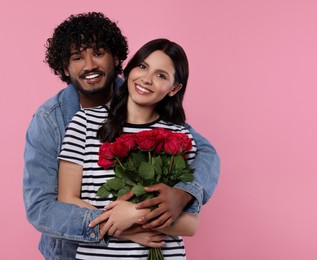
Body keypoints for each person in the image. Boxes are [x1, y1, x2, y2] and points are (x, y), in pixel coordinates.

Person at [23, 12, 220, 259]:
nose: (89, 65)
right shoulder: (52, 120)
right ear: (65, 67)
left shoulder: (144, 97)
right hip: (73, 251)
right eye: (77, 58)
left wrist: (184, 193)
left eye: (98, 53)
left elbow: (205, 152)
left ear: (117, 58)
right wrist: (123, 226)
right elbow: (42, 208)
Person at [58, 38, 200, 259]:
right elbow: (67, 201)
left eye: (161, 75)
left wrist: (134, 213)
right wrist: (128, 231)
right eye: (142, 67)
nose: (147, 79)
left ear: (174, 89)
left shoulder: (180, 137)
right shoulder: (84, 123)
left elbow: (190, 224)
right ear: (129, 69)